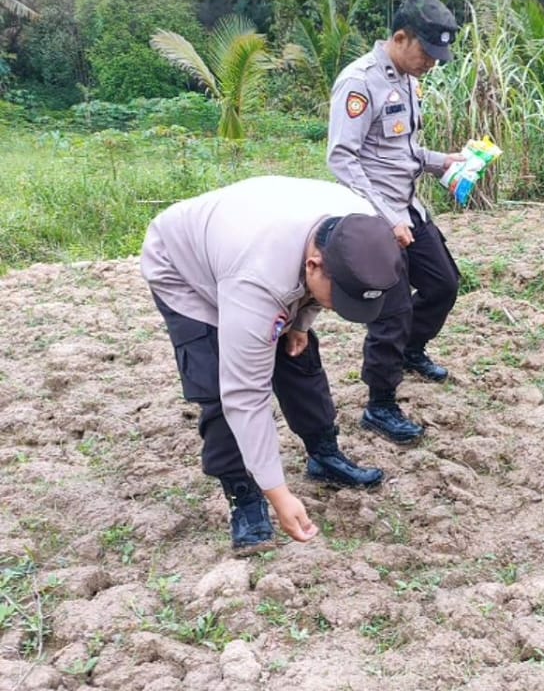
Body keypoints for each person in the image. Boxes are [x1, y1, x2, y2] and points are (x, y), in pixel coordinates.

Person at [140, 175, 404, 553]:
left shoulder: (360, 226)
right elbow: (245, 395)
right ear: (313, 265)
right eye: (340, 299)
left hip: (250, 249)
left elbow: (317, 294)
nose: (339, 308)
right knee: (218, 384)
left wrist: (298, 323)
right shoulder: (259, 279)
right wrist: (279, 493)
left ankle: (324, 453)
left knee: (298, 353)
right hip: (182, 267)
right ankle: (244, 495)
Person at [327, 0, 464, 442]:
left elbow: (400, 150)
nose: (432, 62)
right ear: (400, 37)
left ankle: (412, 349)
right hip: (376, 213)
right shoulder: (359, 82)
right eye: (427, 52)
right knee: (392, 308)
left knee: (444, 283)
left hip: (410, 207)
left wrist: (442, 160)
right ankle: (380, 405)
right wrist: (387, 218)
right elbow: (343, 159)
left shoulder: (407, 78)